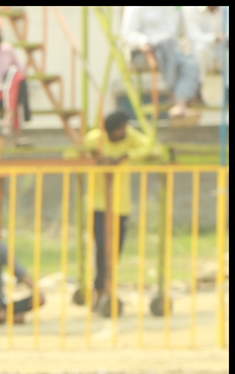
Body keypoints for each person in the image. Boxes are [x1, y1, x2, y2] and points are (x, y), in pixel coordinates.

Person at [82, 111, 158, 311]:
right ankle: (100, 289)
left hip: (120, 204)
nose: (123, 131)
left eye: (124, 127)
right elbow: (74, 153)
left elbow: (150, 145)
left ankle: (107, 287)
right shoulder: (94, 139)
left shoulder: (129, 136)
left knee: (115, 250)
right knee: (102, 247)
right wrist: (96, 158)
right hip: (98, 204)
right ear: (109, 130)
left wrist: (125, 156)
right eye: (119, 129)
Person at [121, 7, 202, 118]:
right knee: (168, 44)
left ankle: (181, 103)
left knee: (191, 64)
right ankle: (175, 93)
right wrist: (142, 41)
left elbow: (183, 31)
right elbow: (127, 34)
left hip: (172, 49)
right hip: (145, 51)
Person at [184, 6, 227, 78]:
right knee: (199, 48)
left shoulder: (226, 9)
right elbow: (194, 36)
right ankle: (198, 82)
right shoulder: (191, 10)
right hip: (206, 54)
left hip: (222, 53)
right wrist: (215, 37)